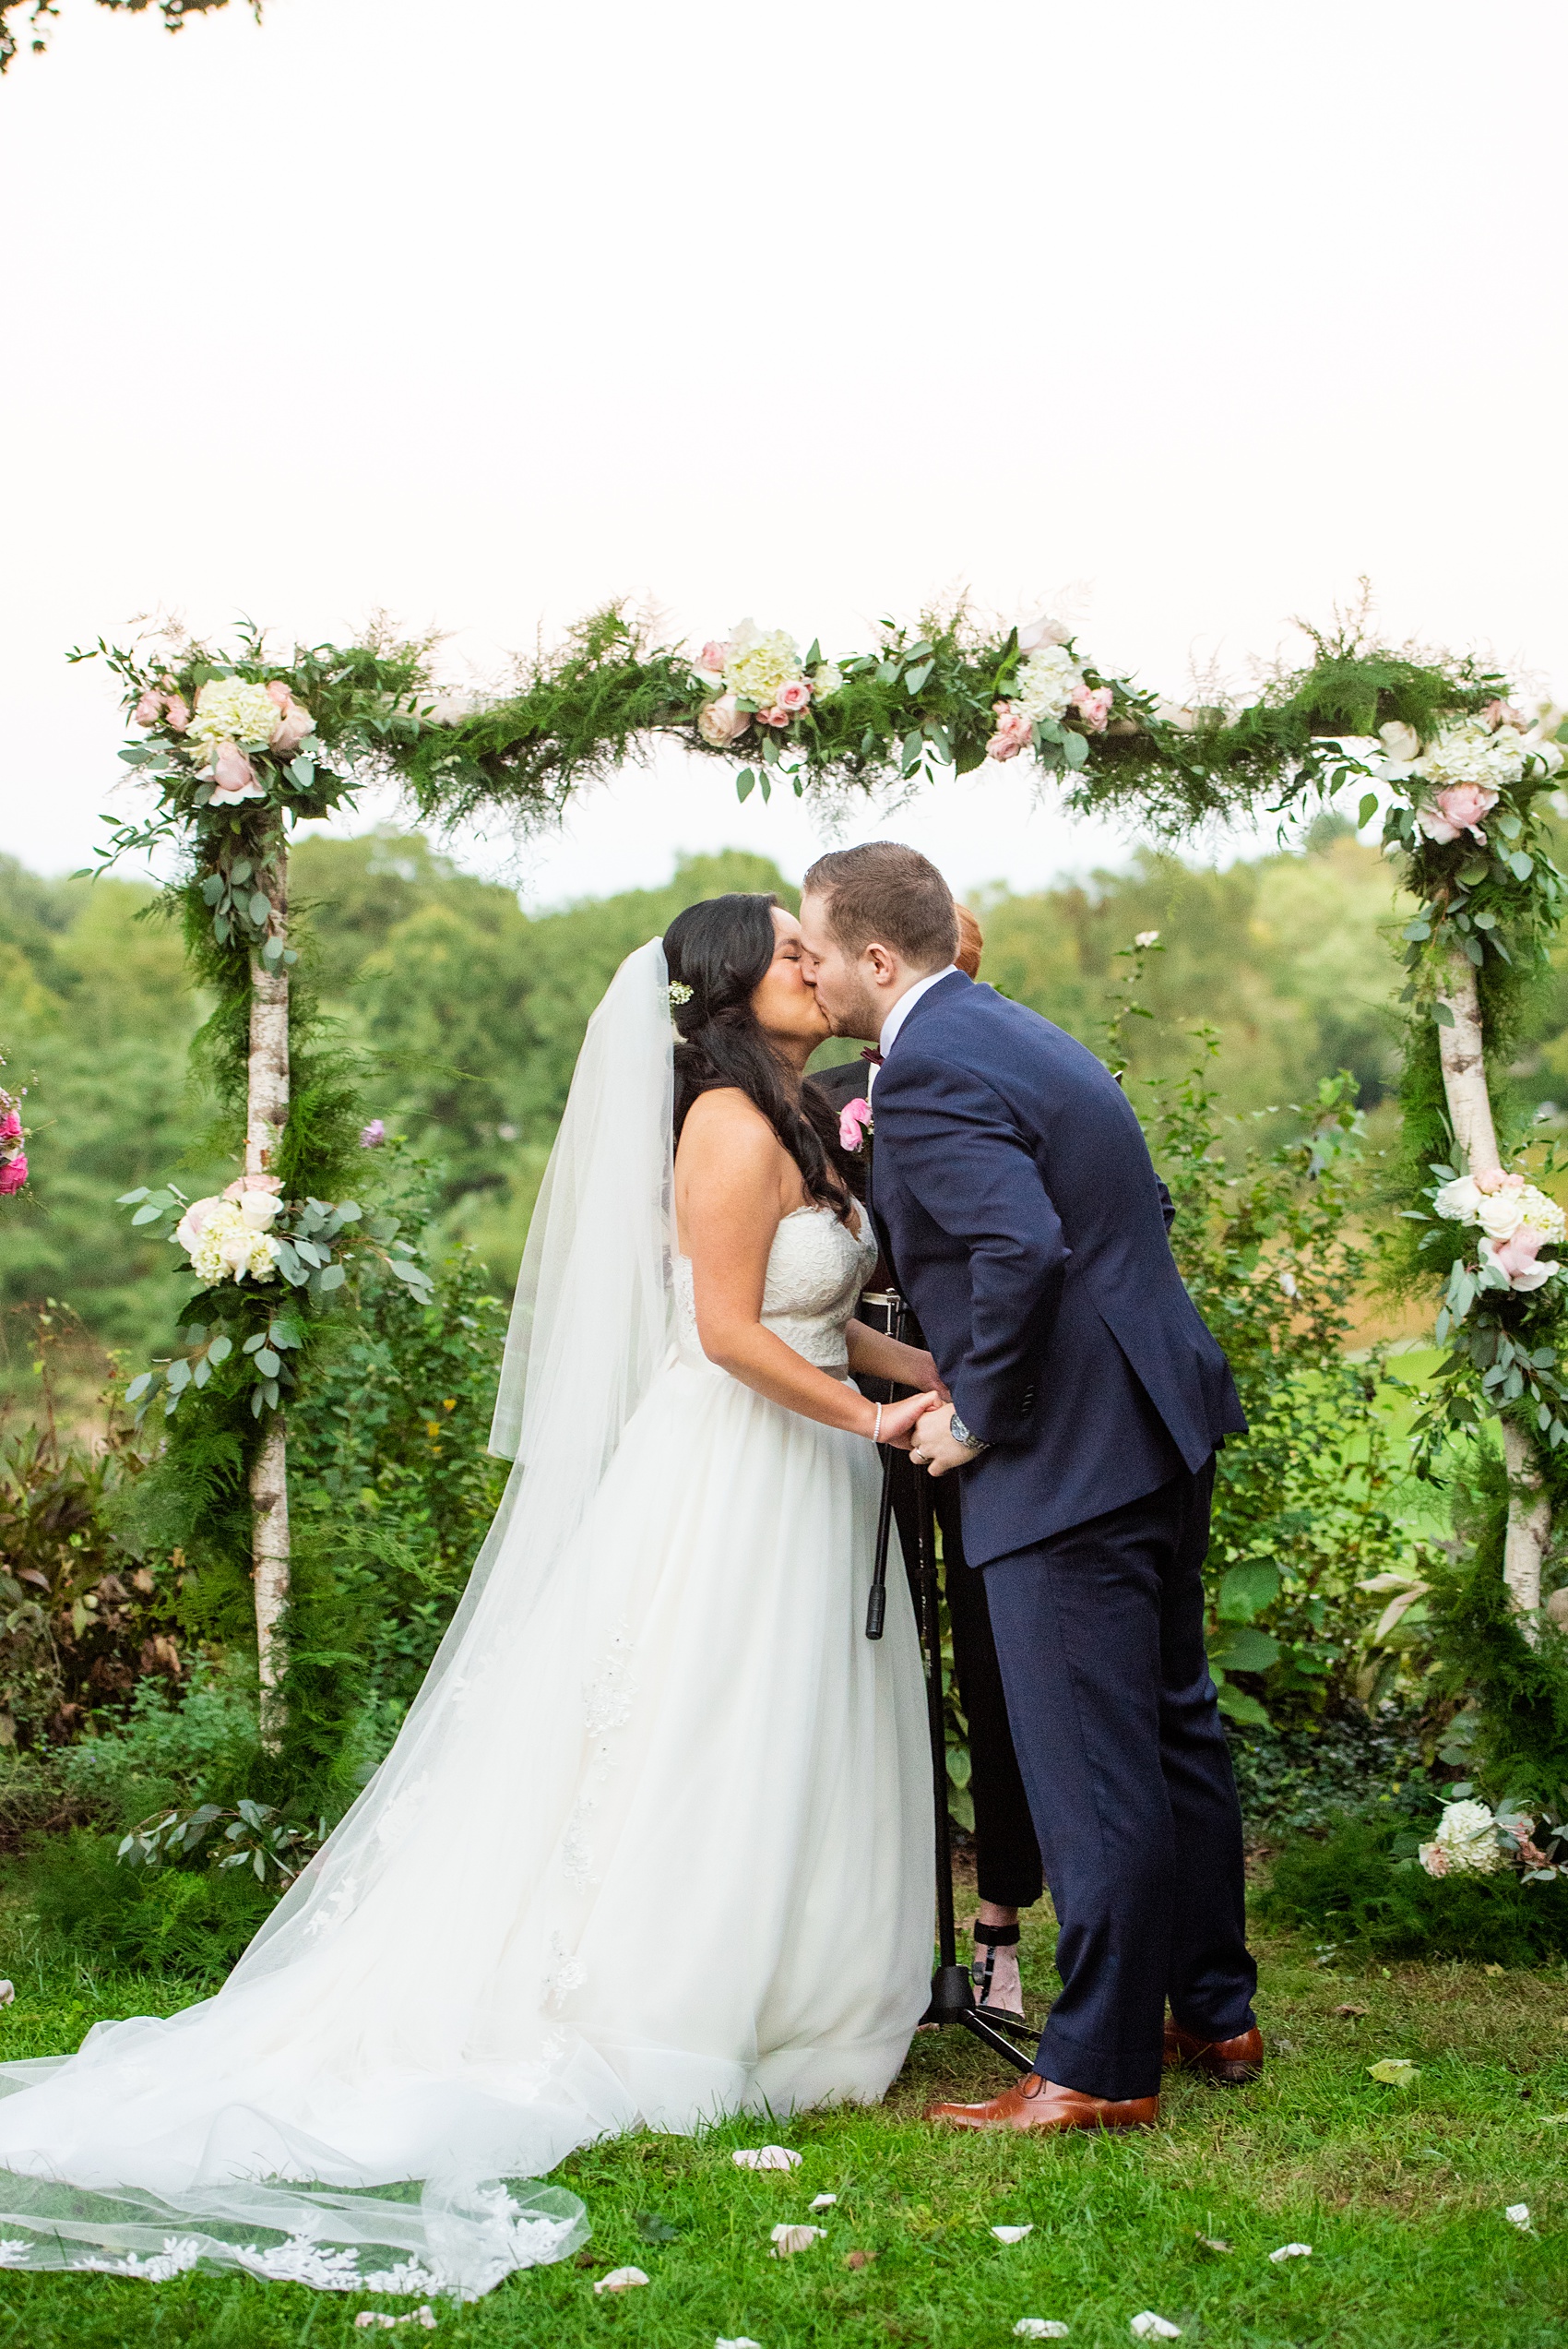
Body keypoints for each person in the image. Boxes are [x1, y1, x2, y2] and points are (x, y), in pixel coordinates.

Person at [0, 898, 939, 2298]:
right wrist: (874, 1425)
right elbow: (732, 1334)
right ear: (733, 994)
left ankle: (809, 1993)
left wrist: (925, 1378)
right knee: (699, 1725)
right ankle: (670, 1999)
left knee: (796, 1723)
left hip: (809, 1461)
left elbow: (818, 1306)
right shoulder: (724, 1128)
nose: (815, 965)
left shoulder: (796, 1115)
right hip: (740, 1466)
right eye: (789, 953)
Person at [798, 842, 1260, 2138]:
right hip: (1154, 1420)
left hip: (1066, 1451)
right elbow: (1127, 1210)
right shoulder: (1014, 1032)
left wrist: (976, 1412)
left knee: (1092, 1762)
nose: (814, 968)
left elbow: (1020, 1245)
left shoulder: (931, 1067)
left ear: (877, 959)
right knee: (1173, 1732)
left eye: (823, 947)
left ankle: (1102, 2063)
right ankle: (1214, 2005)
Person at [808, 902, 1042, 2023]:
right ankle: (873, 1911)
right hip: (859, 1391)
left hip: (965, 1383)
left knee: (990, 1643)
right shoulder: (808, 1102)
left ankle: (996, 1919)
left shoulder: (974, 1073)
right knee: (863, 1652)